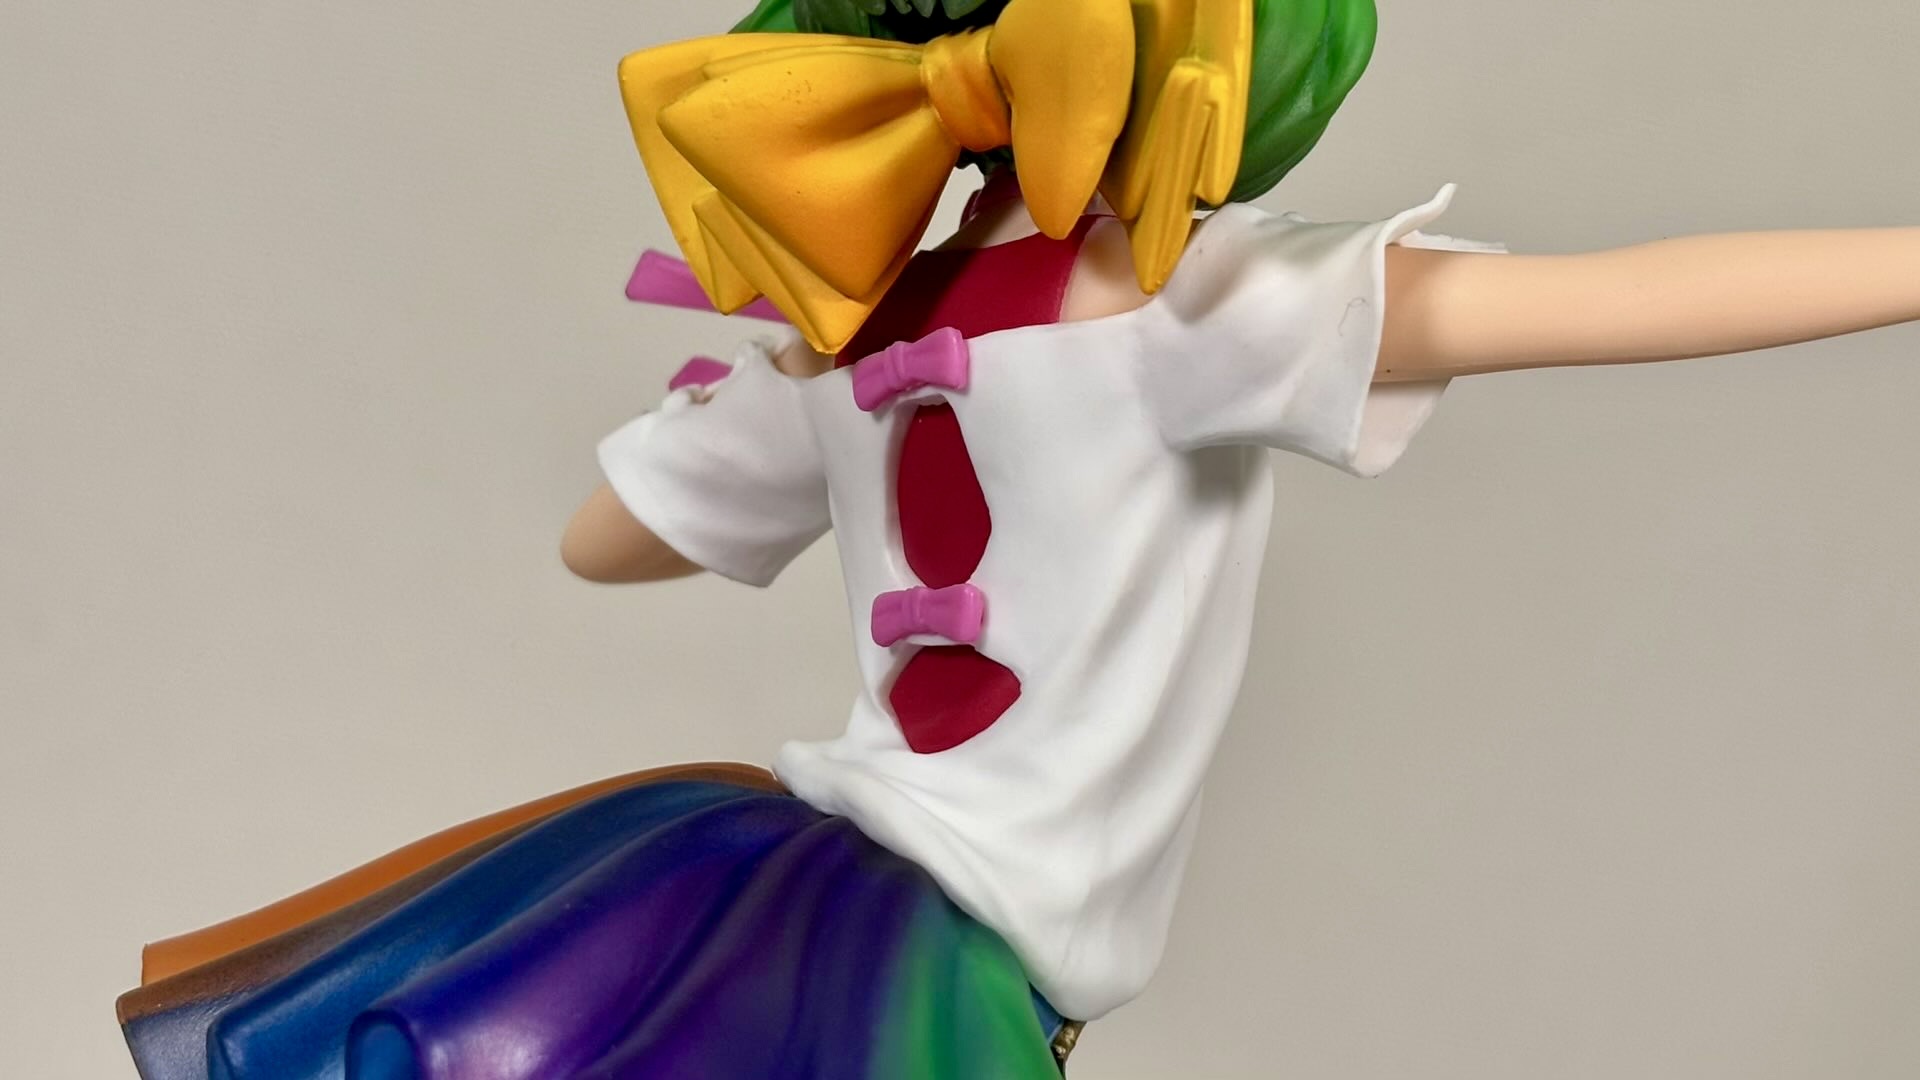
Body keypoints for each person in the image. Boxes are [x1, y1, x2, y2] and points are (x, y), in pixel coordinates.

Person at [118, 0, 1920, 1076]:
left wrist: (768, 382)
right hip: (939, 969)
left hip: (767, 889)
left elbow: (605, 541)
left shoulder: (849, 336)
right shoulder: (1195, 304)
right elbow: (1619, 301)